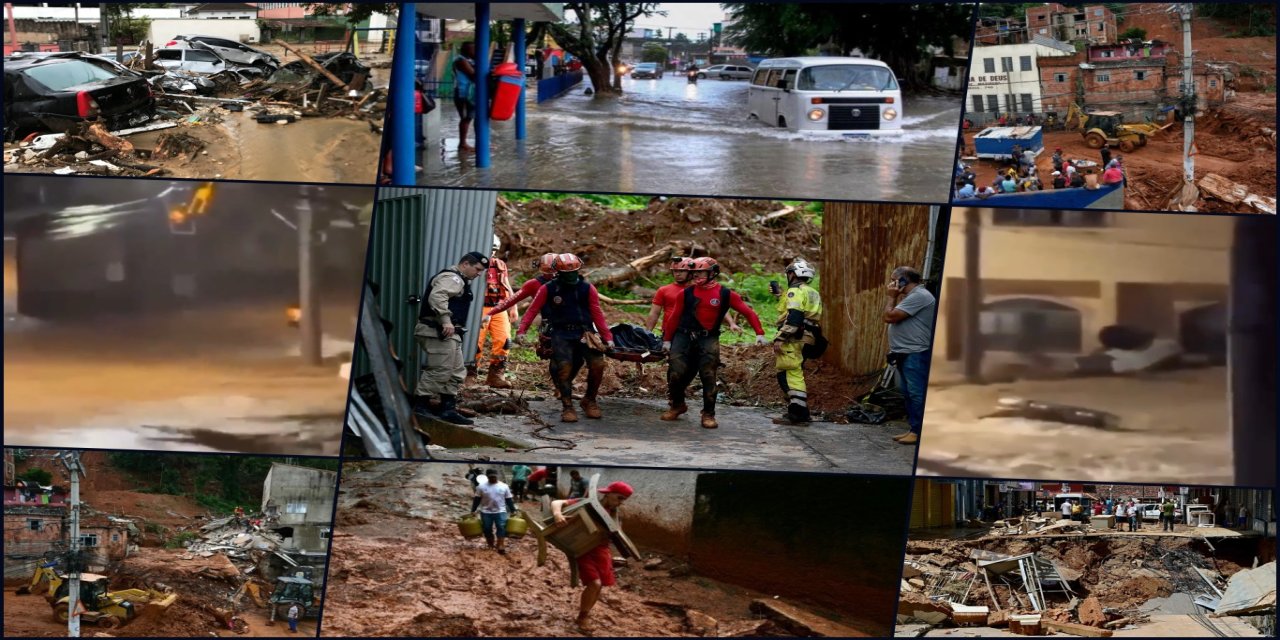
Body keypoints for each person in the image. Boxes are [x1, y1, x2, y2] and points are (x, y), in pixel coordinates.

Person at [659, 257, 766, 429]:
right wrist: (667, 341)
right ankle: (677, 405)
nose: (696, 276)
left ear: (712, 273)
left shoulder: (725, 294)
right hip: (683, 335)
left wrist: (759, 333)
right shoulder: (685, 293)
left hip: (708, 338)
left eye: (700, 272)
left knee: (708, 375)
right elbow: (674, 318)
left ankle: (708, 414)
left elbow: (748, 312)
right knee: (675, 373)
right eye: (694, 273)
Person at [516, 253, 615, 423]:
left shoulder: (587, 288)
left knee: (598, 364)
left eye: (574, 272)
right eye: (567, 273)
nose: (571, 276)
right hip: (561, 333)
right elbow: (532, 310)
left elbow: (596, 312)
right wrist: (521, 331)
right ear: (558, 272)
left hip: (585, 332)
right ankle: (567, 406)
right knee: (564, 368)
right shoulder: (548, 288)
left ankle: (589, 400)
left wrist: (607, 337)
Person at [415, 252, 489, 425]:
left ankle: (447, 409)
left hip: (449, 334)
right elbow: (437, 297)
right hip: (436, 331)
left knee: (455, 372)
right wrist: (446, 320)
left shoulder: (461, 280)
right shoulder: (452, 278)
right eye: (477, 269)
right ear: (465, 264)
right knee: (440, 370)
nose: (478, 274)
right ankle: (420, 407)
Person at [552, 481, 633, 634]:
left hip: (602, 550)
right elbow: (557, 502)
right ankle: (582, 618)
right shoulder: (588, 503)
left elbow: (613, 536)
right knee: (594, 583)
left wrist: (611, 558)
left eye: (624, 500)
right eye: (619, 498)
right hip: (584, 548)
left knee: (600, 585)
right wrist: (557, 514)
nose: (620, 503)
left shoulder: (615, 514)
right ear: (608, 494)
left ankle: (585, 614)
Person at [885, 267, 936, 445]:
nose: (891, 284)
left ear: (904, 280)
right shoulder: (912, 297)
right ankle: (914, 429)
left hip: (915, 352)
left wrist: (891, 297)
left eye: (894, 280)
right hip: (905, 352)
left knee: (916, 393)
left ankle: (919, 431)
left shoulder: (919, 296)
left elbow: (890, 317)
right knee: (908, 392)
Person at [771, 259, 823, 426]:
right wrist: (781, 295)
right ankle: (800, 411)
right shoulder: (811, 291)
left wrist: (781, 337)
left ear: (792, 274)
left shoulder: (795, 291)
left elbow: (794, 316)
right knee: (792, 372)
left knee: (790, 374)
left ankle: (798, 414)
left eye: (789, 273)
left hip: (795, 338)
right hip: (809, 336)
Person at [474, 235, 517, 389]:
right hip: (480, 307)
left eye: (494, 250)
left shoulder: (500, 264)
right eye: (489, 250)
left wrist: (513, 306)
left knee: (504, 340)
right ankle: (470, 374)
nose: (491, 253)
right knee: (476, 342)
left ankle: (496, 375)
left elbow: (506, 285)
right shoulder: (473, 263)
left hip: (499, 307)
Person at [470, 469, 516, 554]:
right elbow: (477, 499)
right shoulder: (481, 487)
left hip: (500, 511)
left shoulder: (504, 486)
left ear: (497, 476)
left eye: (494, 477)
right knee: (487, 529)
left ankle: (500, 545)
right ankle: (490, 544)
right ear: (487, 477)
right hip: (486, 512)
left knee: (501, 527)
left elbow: (509, 499)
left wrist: (513, 510)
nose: (493, 478)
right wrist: (473, 510)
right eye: (491, 477)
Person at [453, 42, 479, 152]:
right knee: (466, 118)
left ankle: (476, 142)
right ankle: (462, 143)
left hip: (470, 92)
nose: (475, 52)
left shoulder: (468, 60)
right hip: (463, 93)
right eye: (473, 50)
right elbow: (473, 74)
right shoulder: (461, 60)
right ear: (467, 50)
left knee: (472, 117)